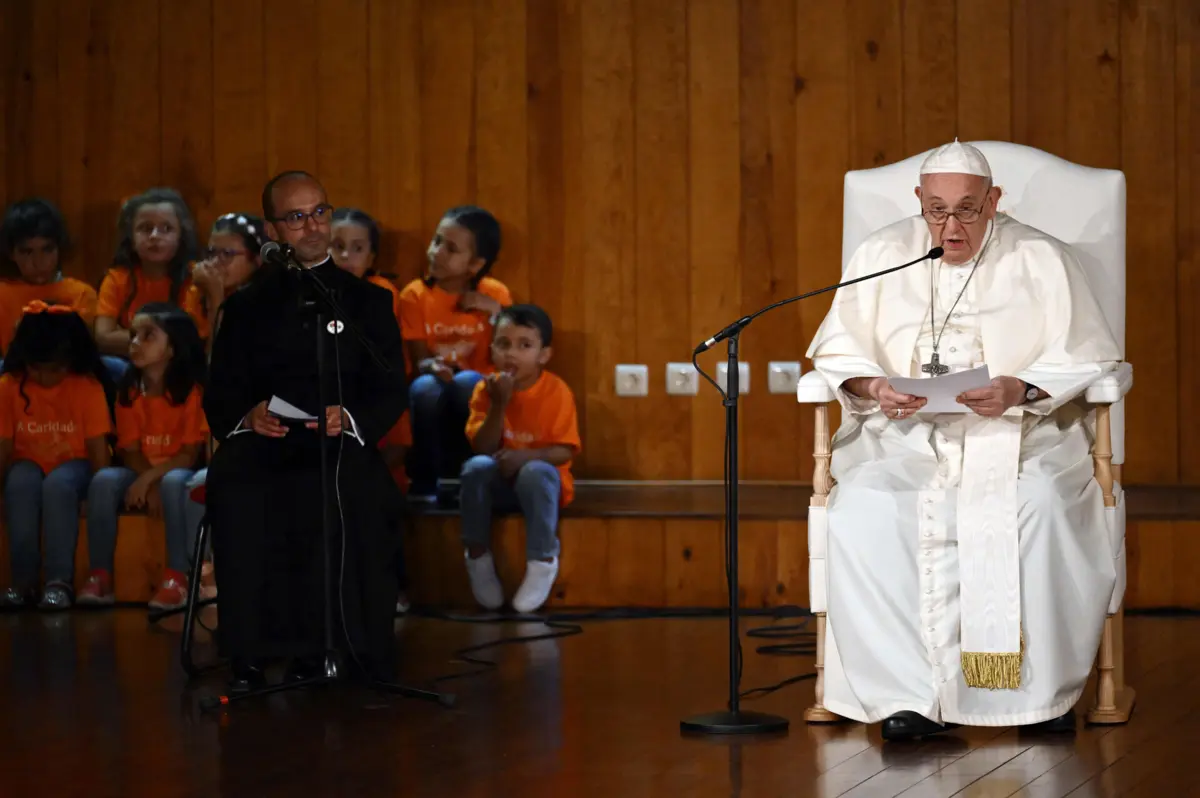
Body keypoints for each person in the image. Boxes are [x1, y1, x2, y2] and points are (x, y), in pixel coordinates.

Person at [805, 140, 1122, 740]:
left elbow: (1087, 354)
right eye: (937, 211)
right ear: (919, 201)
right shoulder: (883, 255)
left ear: (993, 201)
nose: (951, 228)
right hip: (904, 437)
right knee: (866, 507)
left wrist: (1020, 388)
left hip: (1022, 432)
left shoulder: (1040, 258)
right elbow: (839, 352)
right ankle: (906, 698)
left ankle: (1037, 697)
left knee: (1041, 504)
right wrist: (876, 387)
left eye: (968, 211)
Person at [203, 170, 408, 693]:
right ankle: (251, 652)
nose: (313, 226)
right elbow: (220, 391)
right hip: (267, 442)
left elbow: (390, 388)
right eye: (296, 217)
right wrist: (248, 416)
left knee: (362, 492)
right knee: (238, 486)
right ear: (273, 231)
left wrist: (352, 418)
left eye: (319, 212)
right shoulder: (244, 307)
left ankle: (340, 647)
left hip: (338, 442)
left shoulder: (367, 303)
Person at [80, 304, 208, 610]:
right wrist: (146, 481)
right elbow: (131, 451)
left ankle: (177, 577)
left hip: (179, 470)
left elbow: (188, 455)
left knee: (174, 482)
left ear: (173, 348)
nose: (135, 343)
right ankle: (100, 576)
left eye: (148, 335)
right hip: (141, 469)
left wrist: (151, 480)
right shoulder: (129, 391)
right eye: (133, 335)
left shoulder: (192, 391)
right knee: (104, 480)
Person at [459, 304, 580, 613]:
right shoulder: (485, 390)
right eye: (503, 344)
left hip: (542, 487)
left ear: (544, 354)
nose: (511, 353)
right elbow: (482, 448)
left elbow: (565, 450)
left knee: (535, 472)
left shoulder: (557, 391)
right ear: (492, 349)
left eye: (524, 345)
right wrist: (499, 404)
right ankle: (477, 556)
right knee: (475, 468)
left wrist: (524, 456)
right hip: (501, 485)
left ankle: (542, 559)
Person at [0, 303, 113, 610]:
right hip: (25, 463)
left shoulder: (87, 387)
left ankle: (58, 581)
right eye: (35, 368)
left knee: (58, 485)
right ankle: (23, 582)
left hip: (75, 465)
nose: (44, 378)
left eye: (54, 369)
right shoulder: (8, 386)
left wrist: (93, 494)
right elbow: (4, 447)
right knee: (19, 482)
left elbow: (97, 451)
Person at [399, 205, 511, 501]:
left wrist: (496, 313)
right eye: (437, 241)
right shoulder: (414, 295)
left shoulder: (495, 294)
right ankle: (424, 483)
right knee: (424, 388)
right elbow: (419, 359)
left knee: (468, 383)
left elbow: (506, 354)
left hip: (477, 383)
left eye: (451, 249)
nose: (437, 252)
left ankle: (471, 480)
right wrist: (431, 366)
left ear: (475, 264)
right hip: (433, 379)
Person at [94, 188, 199, 382]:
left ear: (181, 236)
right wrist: (158, 340)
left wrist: (138, 338)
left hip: (180, 368)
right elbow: (103, 337)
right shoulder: (117, 278)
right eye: (145, 228)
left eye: (166, 228)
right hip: (130, 366)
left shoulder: (195, 277)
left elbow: (190, 340)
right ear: (131, 238)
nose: (154, 236)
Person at [0, 198, 98, 354]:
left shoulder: (81, 294)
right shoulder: (3, 295)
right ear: (11, 253)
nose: (38, 262)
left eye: (47, 250)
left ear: (59, 248)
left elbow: (82, 354)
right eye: (27, 252)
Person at [184, 212, 267, 345]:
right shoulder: (198, 290)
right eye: (212, 252)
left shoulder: (269, 303)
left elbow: (225, 354)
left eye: (227, 254)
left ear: (257, 259)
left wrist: (215, 297)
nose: (215, 262)